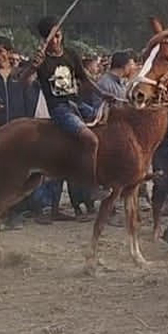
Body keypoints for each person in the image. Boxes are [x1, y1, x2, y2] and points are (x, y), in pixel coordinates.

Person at [19, 16, 108, 199]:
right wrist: (32, 68)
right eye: (53, 38)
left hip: (78, 104)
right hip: (60, 109)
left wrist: (103, 94)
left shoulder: (71, 54)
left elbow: (85, 79)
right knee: (91, 140)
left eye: (59, 36)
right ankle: (91, 186)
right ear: (45, 40)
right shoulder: (40, 60)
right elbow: (23, 82)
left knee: (110, 123)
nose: (57, 41)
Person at [0, 37, 38, 129]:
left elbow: (30, 101)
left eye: (0, 51)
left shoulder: (21, 75)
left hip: (19, 129)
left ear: (9, 53)